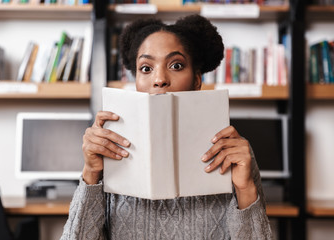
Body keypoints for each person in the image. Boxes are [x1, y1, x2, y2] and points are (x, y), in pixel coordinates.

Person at [61, 14, 273, 240]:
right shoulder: (109, 148)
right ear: (136, 82)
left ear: (197, 80)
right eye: (146, 68)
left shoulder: (233, 152)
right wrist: (91, 174)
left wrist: (245, 190)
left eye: (176, 65)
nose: (159, 79)